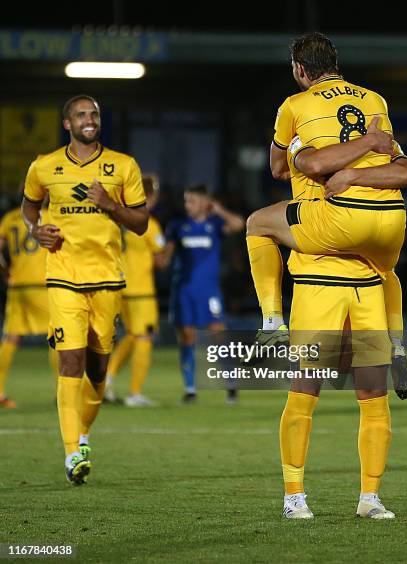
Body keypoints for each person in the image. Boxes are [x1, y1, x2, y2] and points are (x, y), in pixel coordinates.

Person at [246, 32, 407, 397]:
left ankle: (272, 320)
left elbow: (280, 168)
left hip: (332, 223)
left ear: (300, 69)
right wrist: (366, 152)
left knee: (257, 224)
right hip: (389, 220)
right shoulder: (375, 101)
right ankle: (398, 347)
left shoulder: (295, 104)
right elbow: (405, 170)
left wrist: (303, 154)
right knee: (385, 272)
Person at [21, 94, 149, 484]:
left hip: (107, 278)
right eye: (81, 115)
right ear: (67, 124)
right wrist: (35, 229)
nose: (89, 119)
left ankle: (83, 435)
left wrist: (110, 205)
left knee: (98, 370)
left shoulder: (123, 166)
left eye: (94, 114)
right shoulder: (44, 166)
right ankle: (71, 453)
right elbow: (29, 206)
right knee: (70, 361)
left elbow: (141, 222)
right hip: (63, 276)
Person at [164, 185, 245, 403]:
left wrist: (218, 209)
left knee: (219, 335)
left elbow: (238, 224)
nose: (187, 205)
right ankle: (190, 388)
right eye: (186, 201)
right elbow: (164, 257)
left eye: (191, 201)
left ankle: (231, 384)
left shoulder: (215, 224)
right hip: (183, 291)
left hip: (209, 292)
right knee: (187, 338)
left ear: (203, 203)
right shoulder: (177, 226)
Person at [105, 174, 165, 407]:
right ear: (149, 195)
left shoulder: (118, 219)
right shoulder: (148, 221)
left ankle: (108, 379)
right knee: (144, 337)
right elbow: (160, 261)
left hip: (119, 287)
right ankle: (135, 392)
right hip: (141, 290)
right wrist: (168, 250)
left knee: (131, 335)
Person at [0, 198, 58, 408]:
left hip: (17, 286)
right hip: (42, 284)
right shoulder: (50, 215)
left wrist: (5, 270)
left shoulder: (10, 218)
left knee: (11, 338)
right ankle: (62, 392)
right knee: (57, 336)